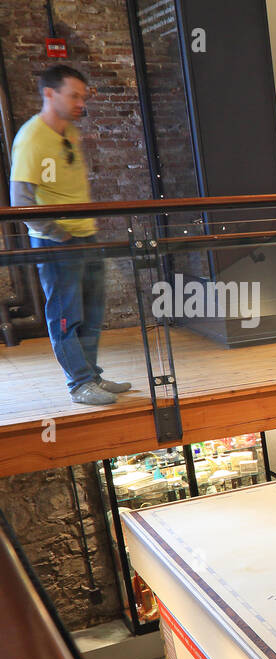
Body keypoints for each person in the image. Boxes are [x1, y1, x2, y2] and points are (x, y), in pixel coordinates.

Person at [11, 64, 131, 406]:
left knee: (92, 313)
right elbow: (20, 201)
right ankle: (79, 384)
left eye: (83, 95)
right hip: (57, 243)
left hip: (85, 236)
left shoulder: (71, 133)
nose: (81, 102)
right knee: (65, 314)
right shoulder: (32, 138)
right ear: (50, 93)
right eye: (74, 95)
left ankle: (91, 374)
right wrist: (58, 233)